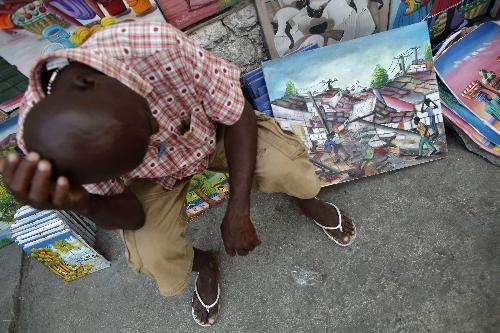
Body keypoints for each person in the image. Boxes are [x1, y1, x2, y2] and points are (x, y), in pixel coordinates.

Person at [0, 21, 356, 326]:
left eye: (144, 114)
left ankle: (304, 200)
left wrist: (239, 209)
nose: (156, 126)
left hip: (212, 133)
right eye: (143, 137)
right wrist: (82, 201)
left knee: (294, 172)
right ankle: (204, 263)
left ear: (87, 82)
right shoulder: (53, 152)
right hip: (152, 179)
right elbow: (132, 215)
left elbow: (238, 115)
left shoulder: (154, 44)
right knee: (158, 259)